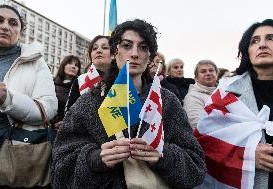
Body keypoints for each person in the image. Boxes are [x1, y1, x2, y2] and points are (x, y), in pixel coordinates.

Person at [51, 19, 206, 189]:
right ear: (114, 51)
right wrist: (95, 159)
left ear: (150, 56)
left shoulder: (167, 102)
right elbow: (59, 171)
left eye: (143, 47)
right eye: (126, 45)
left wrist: (164, 156)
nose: (134, 54)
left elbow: (196, 168)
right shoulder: (88, 102)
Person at [196, 19, 273, 189]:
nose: (262, 45)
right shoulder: (226, 92)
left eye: (271, 38)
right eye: (255, 41)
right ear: (247, 50)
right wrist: (246, 155)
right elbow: (204, 141)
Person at [0, 4, 57, 188]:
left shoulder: (35, 61)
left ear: (20, 31)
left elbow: (49, 108)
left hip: (8, 150)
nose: (5, 26)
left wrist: (8, 99)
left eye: (13, 23)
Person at [65, 35, 111, 111]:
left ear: (114, 54)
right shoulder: (80, 80)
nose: (98, 51)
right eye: (95, 48)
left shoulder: (123, 79)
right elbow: (69, 113)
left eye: (105, 47)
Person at [183, 60, 218, 129]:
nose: (208, 73)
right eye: (203, 71)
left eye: (211, 70)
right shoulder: (192, 97)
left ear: (217, 74)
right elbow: (196, 124)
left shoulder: (225, 92)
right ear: (196, 78)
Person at [50, 55, 81, 129]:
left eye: (76, 65)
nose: (73, 67)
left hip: (70, 129)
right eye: (70, 63)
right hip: (49, 128)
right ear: (63, 65)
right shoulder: (51, 83)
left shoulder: (80, 87)